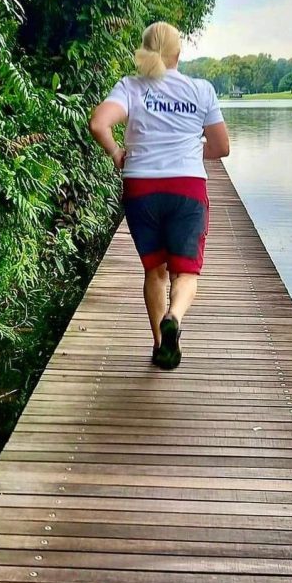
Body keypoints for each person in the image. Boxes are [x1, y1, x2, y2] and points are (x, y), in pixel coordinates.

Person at [88, 22, 230, 370]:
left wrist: (117, 153)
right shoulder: (201, 90)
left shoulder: (131, 87)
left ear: (144, 51)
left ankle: (158, 345)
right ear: (179, 54)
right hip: (186, 187)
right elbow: (221, 147)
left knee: (155, 271)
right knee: (186, 273)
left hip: (141, 187)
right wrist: (194, 152)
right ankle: (175, 317)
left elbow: (98, 124)